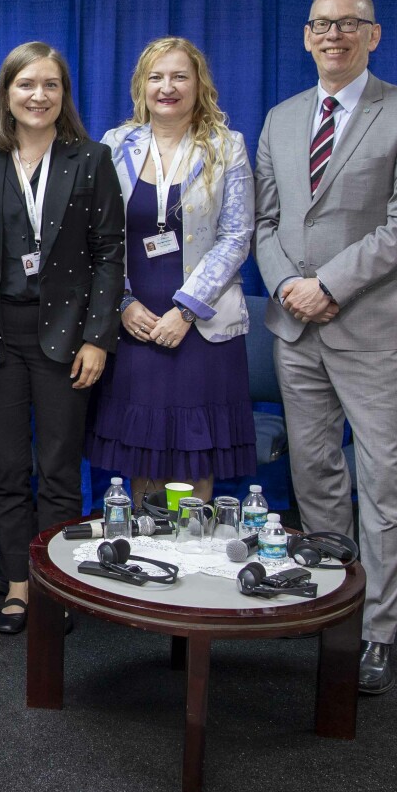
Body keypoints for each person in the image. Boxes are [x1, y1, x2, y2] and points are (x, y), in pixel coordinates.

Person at [255, 0, 397, 696]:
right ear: (307, 37)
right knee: (315, 476)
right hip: (295, 326)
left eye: (348, 24)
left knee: (383, 484)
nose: (333, 34)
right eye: (321, 25)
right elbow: (265, 222)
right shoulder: (280, 119)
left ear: (374, 34)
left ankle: (375, 632)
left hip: (376, 329)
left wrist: (328, 285)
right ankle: (330, 606)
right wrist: (287, 286)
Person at [0, 42, 124, 636]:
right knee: (8, 468)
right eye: (26, 85)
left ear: (64, 95)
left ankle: (55, 585)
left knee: (60, 469)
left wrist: (99, 338)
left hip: (68, 337)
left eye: (51, 85)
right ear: (6, 94)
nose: (38, 96)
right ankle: (18, 586)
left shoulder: (91, 159)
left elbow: (110, 254)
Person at [89, 37, 257, 510]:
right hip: (133, 322)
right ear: (141, 86)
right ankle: (144, 548)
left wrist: (185, 311)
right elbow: (97, 234)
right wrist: (122, 304)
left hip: (202, 325)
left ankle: (192, 546)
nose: (168, 87)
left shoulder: (228, 147)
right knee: (142, 453)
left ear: (199, 84)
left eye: (180, 76)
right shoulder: (115, 144)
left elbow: (237, 236)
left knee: (194, 456)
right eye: (157, 77)